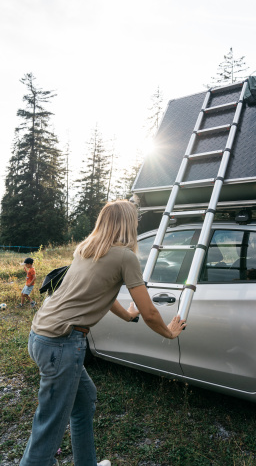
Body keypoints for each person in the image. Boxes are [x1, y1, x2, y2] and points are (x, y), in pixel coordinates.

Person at [20, 200, 186, 466]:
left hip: (41, 335)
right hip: (61, 344)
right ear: (128, 224)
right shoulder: (124, 256)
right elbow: (151, 312)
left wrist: (128, 315)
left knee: (84, 401)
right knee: (48, 428)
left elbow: (103, 295)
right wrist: (170, 333)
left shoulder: (86, 250)